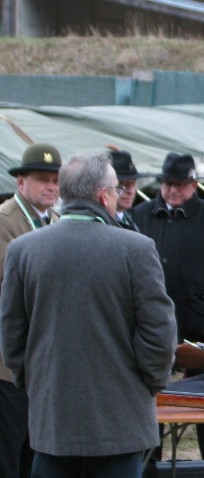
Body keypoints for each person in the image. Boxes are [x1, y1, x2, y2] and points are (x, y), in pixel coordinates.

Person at [0, 151, 177, 478]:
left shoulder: (23, 250)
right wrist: (149, 384)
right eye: (116, 188)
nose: (119, 195)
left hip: (53, 417)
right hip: (120, 420)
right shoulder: (136, 249)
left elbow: (12, 336)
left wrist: (36, 384)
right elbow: (159, 333)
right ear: (102, 195)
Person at [131, 152, 204, 459]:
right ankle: (149, 462)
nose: (172, 190)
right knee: (150, 402)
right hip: (150, 329)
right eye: (167, 184)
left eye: (180, 184)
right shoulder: (139, 216)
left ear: (194, 184)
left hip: (199, 327)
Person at [0, 143, 61, 478]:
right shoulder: (6, 221)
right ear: (20, 182)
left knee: (34, 452)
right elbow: (12, 289)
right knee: (10, 453)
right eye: (42, 179)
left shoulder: (52, 219)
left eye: (55, 180)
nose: (51, 186)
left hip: (40, 361)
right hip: (9, 364)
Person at [109, 149, 140, 232]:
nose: (130, 191)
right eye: (121, 184)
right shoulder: (102, 221)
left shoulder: (127, 217)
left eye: (133, 183)